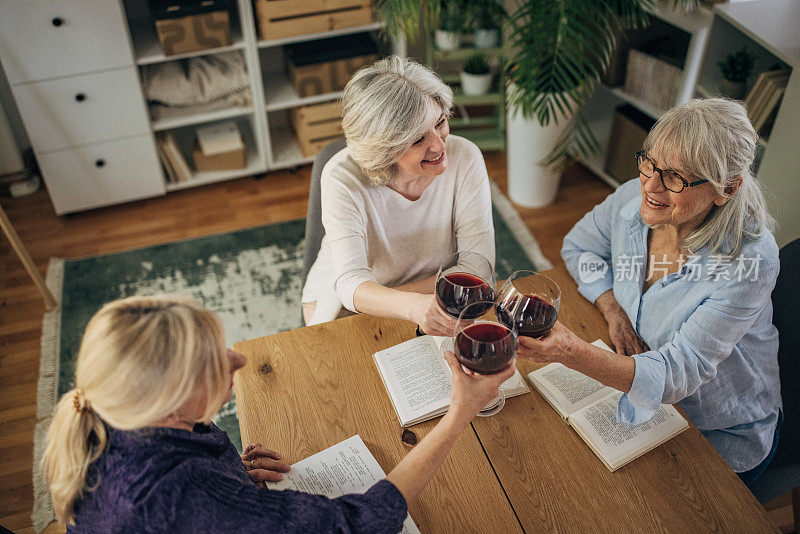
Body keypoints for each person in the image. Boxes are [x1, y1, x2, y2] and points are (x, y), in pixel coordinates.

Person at [42, 295, 514, 532]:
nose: (240, 360)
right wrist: (459, 414)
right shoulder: (182, 497)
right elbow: (355, 524)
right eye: (214, 364)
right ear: (164, 402)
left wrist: (226, 475)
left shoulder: (109, 413)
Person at [518, 98, 781, 486]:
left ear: (726, 188)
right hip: (641, 396)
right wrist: (611, 308)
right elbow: (579, 248)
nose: (651, 186)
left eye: (676, 177)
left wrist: (567, 350)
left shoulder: (750, 262)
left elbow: (677, 373)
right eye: (649, 163)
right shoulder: (633, 197)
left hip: (715, 432)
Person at [301, 56, 495, 335]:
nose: (439, 145)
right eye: (418, 139)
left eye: (439, 122)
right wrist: (412, 304)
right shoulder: (342, 177)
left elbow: (478, 268)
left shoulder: (465, 157)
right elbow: (348, 284)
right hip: (345, 306)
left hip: (409, 300)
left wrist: (395, 298)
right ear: (384, 148)